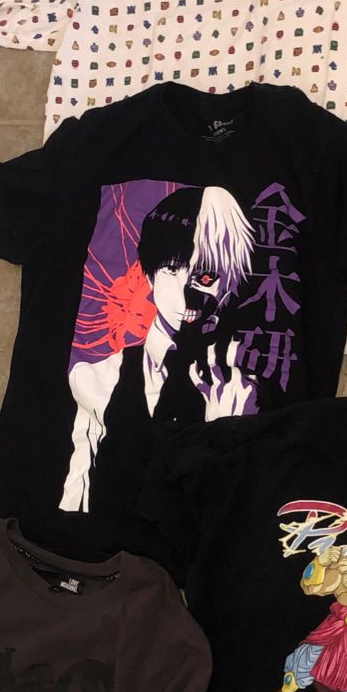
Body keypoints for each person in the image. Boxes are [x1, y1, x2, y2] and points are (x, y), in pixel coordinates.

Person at [60, 185, 254, 513]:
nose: (185, 293)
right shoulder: (96, 377)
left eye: (205, 277)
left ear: (228, 283)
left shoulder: (241, 387)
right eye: (172, 269)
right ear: (150, 274)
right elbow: (76, 493)